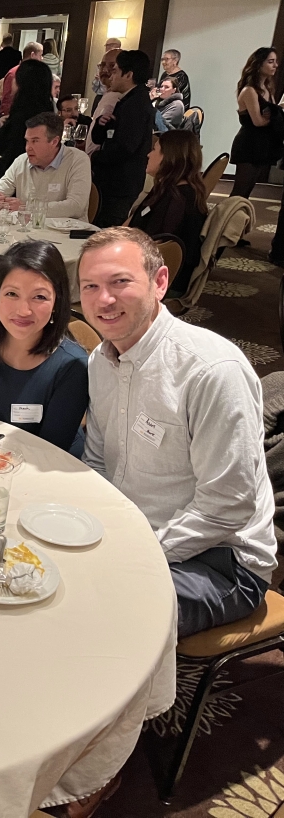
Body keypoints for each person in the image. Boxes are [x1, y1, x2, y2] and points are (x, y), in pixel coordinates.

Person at [79, 226, 277, 638]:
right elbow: (97, 461)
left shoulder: (210, 371)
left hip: (221, 561)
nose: (104, 300)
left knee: (94, 610)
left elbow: (226, 508)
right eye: (91, 286)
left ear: (160, 283)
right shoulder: (101, 360)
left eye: (120, 282)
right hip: (135, 530)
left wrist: (135, 554)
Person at [0, 240, 87, 454]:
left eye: (39, 297)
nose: (23, 310)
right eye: (12, 294)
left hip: (42, 469)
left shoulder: (72, 367)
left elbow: (51, 453)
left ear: (57, 302)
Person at [127, 131, 207, 296]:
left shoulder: (179, 198)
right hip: (144, 263)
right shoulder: (166, 187)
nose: (149, 154)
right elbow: (133, 222)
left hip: (159, 278)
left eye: (155, 149)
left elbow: (160, 246)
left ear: (169, 156)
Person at [91, 50, 156, 228]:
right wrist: (101, 125)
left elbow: (125, 147)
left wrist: (95, 159)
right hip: (117, 179)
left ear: (128, 74)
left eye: (116, 71)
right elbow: (100, 138)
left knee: (107, 229)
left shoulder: (136, 104)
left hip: (120, 182)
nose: (111, 76)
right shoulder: (129, 100)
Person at [0, 113, 92, 220]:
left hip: (67, 234)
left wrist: (26, 208)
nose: (28, 148)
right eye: (27, 141)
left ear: (54, 142)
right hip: (28, 232)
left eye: (35, 141)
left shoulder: (77, 160)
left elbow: (76, 207)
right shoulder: (22, 161)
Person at [230, 47, 282, 201]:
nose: (275, 65)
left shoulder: (267, 88)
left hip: (261, 145)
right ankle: (224, 221)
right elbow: (258, 121)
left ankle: (237, 221)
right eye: (270, 62)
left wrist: (275, 112)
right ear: (259, 64)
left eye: (275, 62)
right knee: (240, 191)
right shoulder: (249, 90)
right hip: (248, 144)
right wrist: (273, 116)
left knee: (247, 191)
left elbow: (270, 115)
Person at [0, 59, 54, 182]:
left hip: (13, 185)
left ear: (23, 84)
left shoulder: (23, 119)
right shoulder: (47, 113)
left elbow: (9, 157)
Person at [86, 49, 121, 155]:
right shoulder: (107, 94)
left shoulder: (120, 97)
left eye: (112, 66)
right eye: (102, 65)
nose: (105, 70)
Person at [0, 42, 44, 117]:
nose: (42, 58)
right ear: (32, 55)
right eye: (40, 55)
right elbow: (7, 100)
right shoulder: (14, 73)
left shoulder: (37, 74)